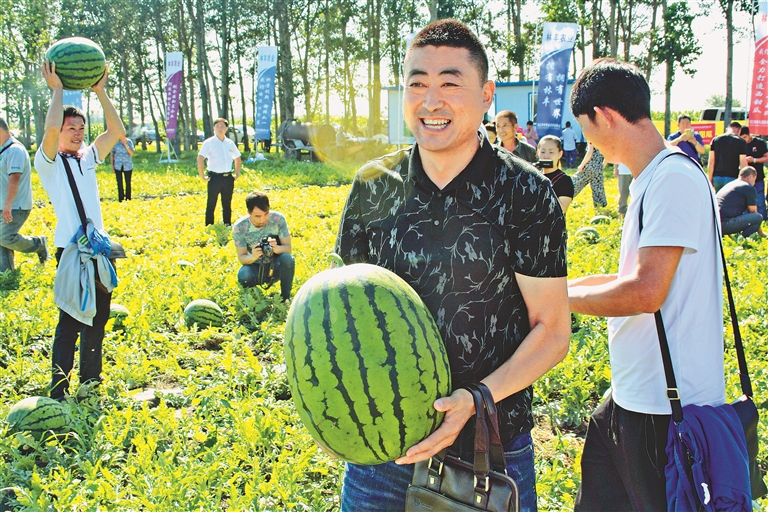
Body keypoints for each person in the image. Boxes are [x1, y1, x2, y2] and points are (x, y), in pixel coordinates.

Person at [334, 19, 570, 511]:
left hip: (490, 447)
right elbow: (344, 313)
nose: (431, 101)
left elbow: (552, 332)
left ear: (486, 95)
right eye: (417, 84)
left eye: (449, 84)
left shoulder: (525, 192)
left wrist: (477, 398)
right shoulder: (372, 186)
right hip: (382, 455)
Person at [567, 58, 725, 510]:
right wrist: (558, 289)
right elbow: (632, 278)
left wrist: (563, 302)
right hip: (635, 396)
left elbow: (645, 291)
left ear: (604, 116)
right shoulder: (652, 178)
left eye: (586, 128)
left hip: (665, 408)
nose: (589, 143)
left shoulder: (673, 179)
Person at [35, 61, 125, 400]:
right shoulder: (48, 162)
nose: (78, 133)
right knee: (70, 322)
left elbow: (116, 131)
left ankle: (90, 382)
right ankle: (59, 390)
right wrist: (58, 89)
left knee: (98, 320)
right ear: (60, 130)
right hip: (72, 252)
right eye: (71, 127)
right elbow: (49, 130)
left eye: (81, 128)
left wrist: (100, 91)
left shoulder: (86, 159)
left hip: (99, 250)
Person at [0, 117, 48, 272]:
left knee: (5, 237)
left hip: (16, 205)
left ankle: (38, 244)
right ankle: (6, 271)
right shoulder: (3, 150)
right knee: (2, 239)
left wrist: (8, 204)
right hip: (4, 204)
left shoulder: (15, 150)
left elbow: (15, 177)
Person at [232, 191, 294, 301]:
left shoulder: (278, 219)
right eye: (258, 216)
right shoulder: (240, 227)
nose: (263, 219)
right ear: (249, 212)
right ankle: (254, 299)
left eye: (266, 214)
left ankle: (285, 297)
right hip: (255, 266)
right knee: (244, 274)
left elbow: (288, 249)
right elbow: (242, 258)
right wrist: (253, 256)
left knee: (288, 258)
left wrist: (277, 248)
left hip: (275, 265)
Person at [197, 118, 241, 225]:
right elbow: (200, 159)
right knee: (211, 203)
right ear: (214, 128)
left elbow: (237, 158)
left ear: (226, 128)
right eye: (217, 126)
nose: (220, 129)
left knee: (227, 204)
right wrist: (202, 176)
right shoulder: (209, 142)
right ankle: (209, 225)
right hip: (214, 177)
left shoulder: (230, 143)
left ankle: (227, 224)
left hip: (228, 178)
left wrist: (237, 173)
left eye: (222, 126)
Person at [716, 166, 766, 238]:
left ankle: (736, 238)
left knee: (755, 224)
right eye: (754, 180)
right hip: (724, 224)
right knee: (758, 217)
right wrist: (761, 233)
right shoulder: (748, 188)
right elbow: (753, 212)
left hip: (715, 223)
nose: (754, 183)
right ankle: (743, 239)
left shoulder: (731, 184)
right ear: (750, 177)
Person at [537, 134, 574, 212]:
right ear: (538, 152)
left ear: (560, 154)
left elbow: (561, 210)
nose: (546, 156)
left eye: (551, 152)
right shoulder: (533, 176)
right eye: (543, 152)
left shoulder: (565, 180)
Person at [708, 121, 747, 191]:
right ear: (739, 130)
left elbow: (711, 162)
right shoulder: (741, 142)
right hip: (733, 177)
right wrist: (745, 180)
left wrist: (710, 179)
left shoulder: (715, 140)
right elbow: (743, 163)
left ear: (727, 129)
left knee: (719, 197)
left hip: (717, 177)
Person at [740, 126, 768, 220]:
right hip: (744, 179)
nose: (744, 140)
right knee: (746, 202)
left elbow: (766, 157)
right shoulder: (740, 144)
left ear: (749, 135)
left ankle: (762, 220)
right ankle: (749, 220)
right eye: (741, 138)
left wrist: (754, 160)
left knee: (760, 201)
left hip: (758, 177)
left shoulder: (759, 143)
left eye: (745, 137)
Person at [572, 142, 608, 209]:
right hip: (598, 167)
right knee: (598, 188)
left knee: (575, 183)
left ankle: (563, 196)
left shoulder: (591, 138)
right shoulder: (604, 139)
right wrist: (602, 166)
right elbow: (607, 154)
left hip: (589, 166)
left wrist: (581, 165)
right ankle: (601, 206)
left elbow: (590, 152)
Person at [111, 134, 135, 202]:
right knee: (119, 182)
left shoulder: (129, 142)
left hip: (127, 165)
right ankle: (121, 198)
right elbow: (112, 155)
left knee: (128, 182)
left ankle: (128, 198)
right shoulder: (115, 142)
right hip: (118, 165)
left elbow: (131, 153)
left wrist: (125, 144)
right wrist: (112, 166)